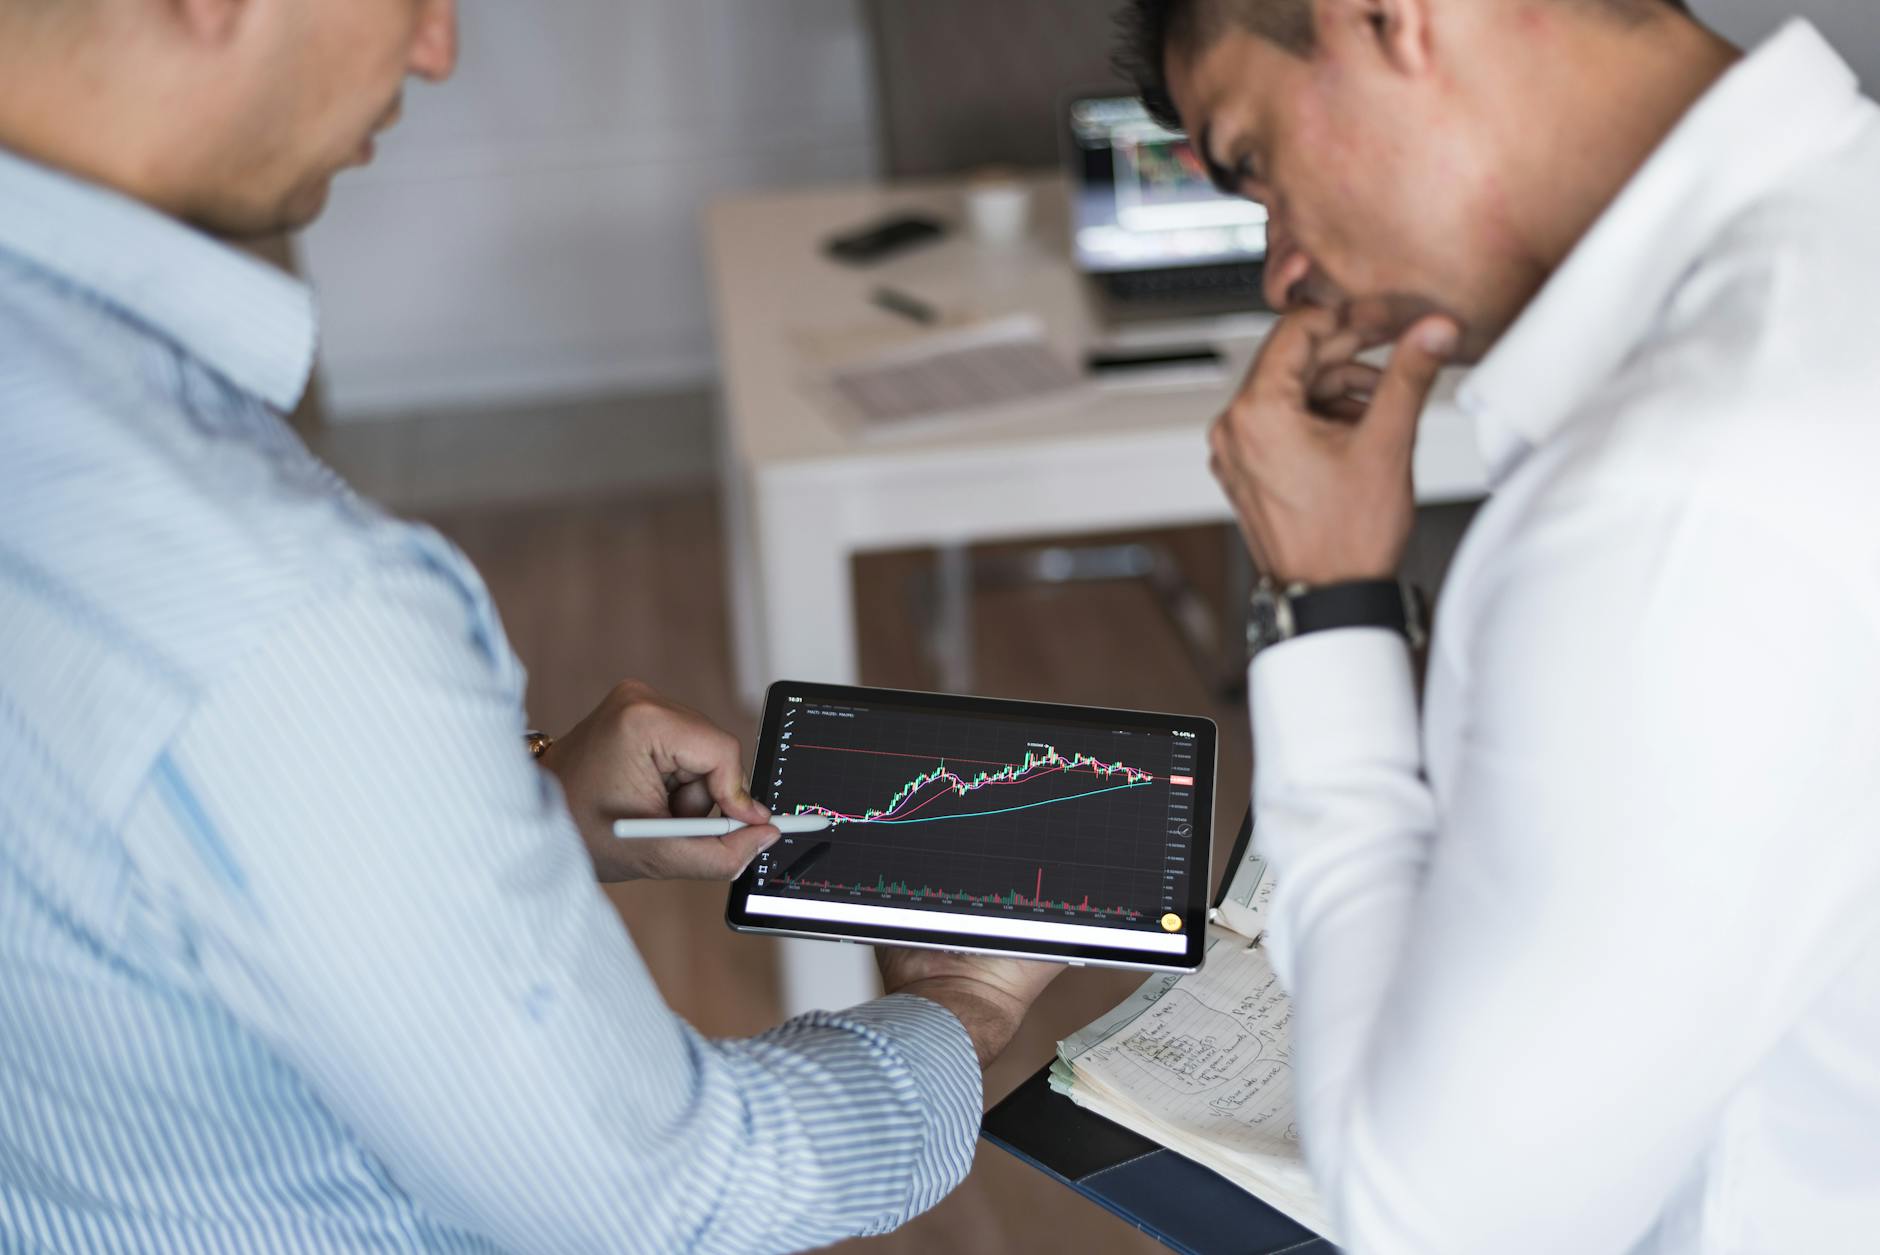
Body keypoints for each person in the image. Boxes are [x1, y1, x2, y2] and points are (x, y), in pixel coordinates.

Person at [0, 1, 1059, 1250]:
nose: (437, 49)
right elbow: (664, 1195)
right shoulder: (283, 601)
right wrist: (959, 1012)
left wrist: (540, 796)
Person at [1119, 0, 1880, 1250]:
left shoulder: (1673, 495)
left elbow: (1443, 1223)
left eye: (1254, 162)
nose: (1281, 272)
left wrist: (1325, 606)